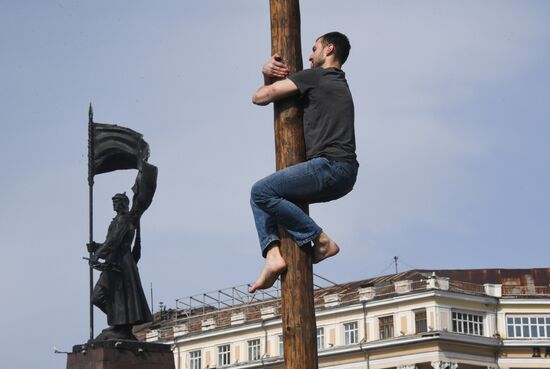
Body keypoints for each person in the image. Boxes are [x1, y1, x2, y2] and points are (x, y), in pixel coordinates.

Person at [249, 32, 358, 293]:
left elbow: (261, 97)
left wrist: (266, 73)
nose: (309, 56)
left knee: (261, 191)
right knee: (274, 197)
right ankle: (273, 256)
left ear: (329, 49)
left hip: (330, 166)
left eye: (314, 48)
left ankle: (319, 240)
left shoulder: (317, 77)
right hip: (343, 173)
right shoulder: (333, 82)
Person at [88, 193, 152, 340]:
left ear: (123, 203)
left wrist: (97, 255)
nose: (114, 204)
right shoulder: (120, 220)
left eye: (116, 202)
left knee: (102, 296)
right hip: (115, 261)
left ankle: (122, 326)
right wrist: (95, 247)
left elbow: (114, 242)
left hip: (120, 263)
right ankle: (121, 324)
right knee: (109, 297)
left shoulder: (123, 219)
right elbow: (111, 243)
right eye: (113, 202)